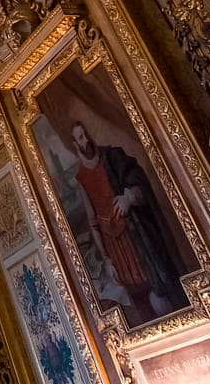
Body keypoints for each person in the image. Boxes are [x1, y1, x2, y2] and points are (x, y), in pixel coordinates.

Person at [67, 120, 189, 319]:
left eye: (86, 134)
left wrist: (129, 196)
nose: (87, 140)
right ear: (75, 144)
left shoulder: (113, 157)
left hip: (138, 235)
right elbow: (93, 221)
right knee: (137, 296)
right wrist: (106, 259)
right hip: (115, 247)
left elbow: (138, 179)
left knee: (160, 285)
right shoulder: (81, 177)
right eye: (81, 137)